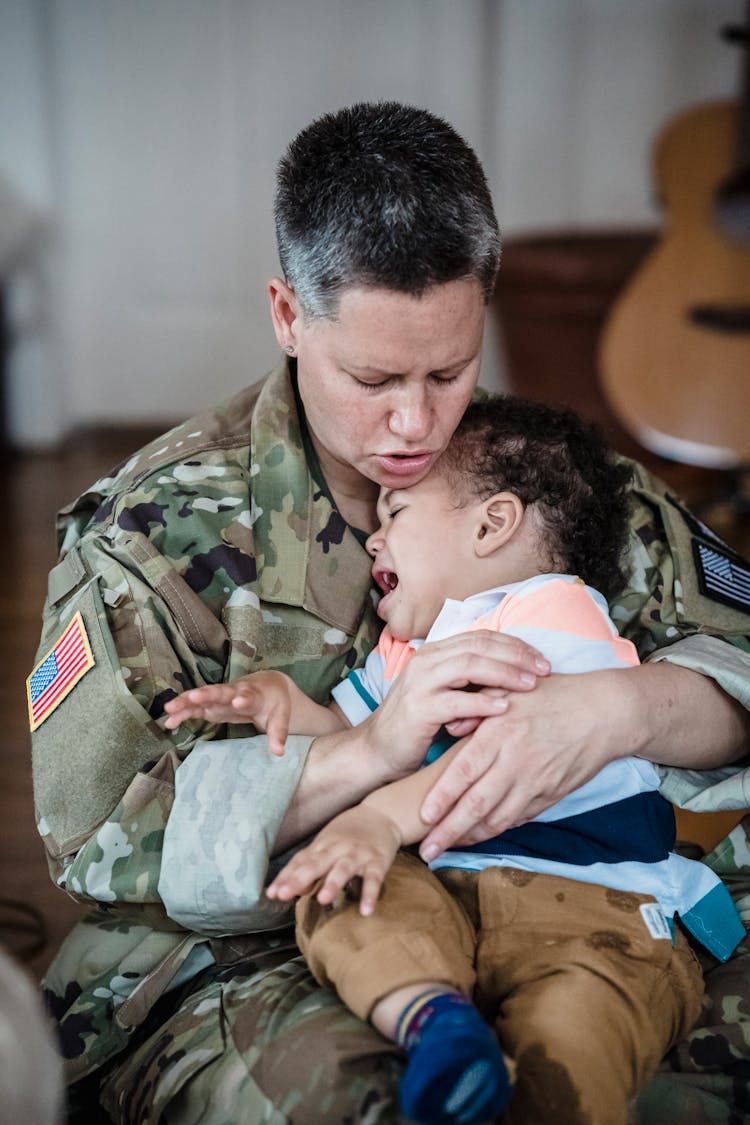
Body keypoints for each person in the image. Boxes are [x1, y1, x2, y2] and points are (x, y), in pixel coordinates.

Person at [27, 101, 750, 1124]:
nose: (414, 425)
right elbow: (98, 839)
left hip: (588, 901)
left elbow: (739, 660)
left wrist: (621, 710)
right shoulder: (153, 536)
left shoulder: (548, 482)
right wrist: (364, 760)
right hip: (270, 943)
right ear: (288, 314)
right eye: (372, 378)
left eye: (448, 372)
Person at [166, 396, 742, 1124]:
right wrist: (285, 706)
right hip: (444, 887)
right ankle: (436, 1022)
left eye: (397, 514)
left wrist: (378, 817)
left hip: (597, 904)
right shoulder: (407, 648)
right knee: (342, 886)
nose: (374, 541)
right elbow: (357, 733)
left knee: (575, 1036)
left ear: (492, 523)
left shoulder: (554, 612)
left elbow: (506, 748)